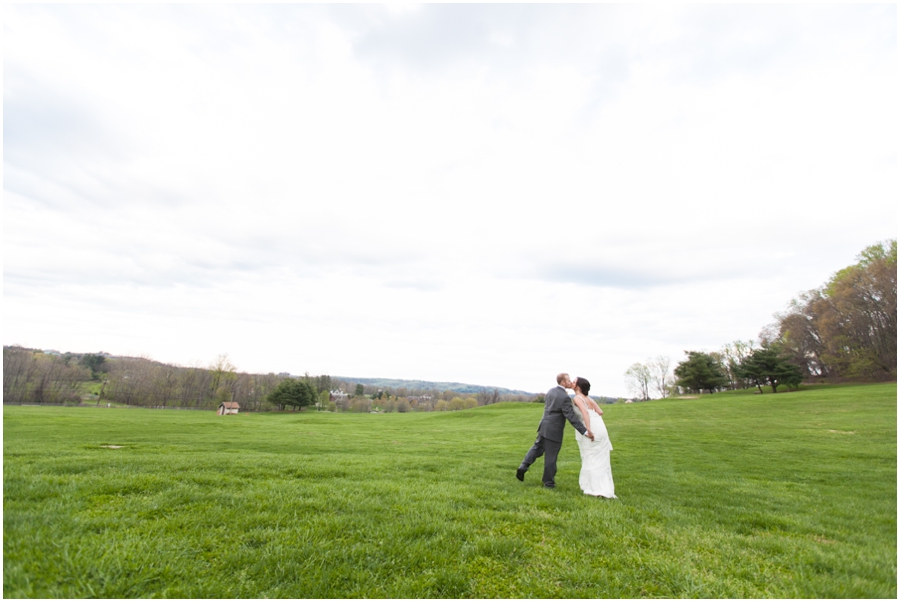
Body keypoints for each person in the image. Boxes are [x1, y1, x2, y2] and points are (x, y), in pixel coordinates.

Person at [516, 373, 593, 488]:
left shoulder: (551, 391)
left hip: (544, 426)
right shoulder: (565, 398)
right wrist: (585, 431)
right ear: (563, 382)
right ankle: (548, 482)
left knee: (537, 447)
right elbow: (570, 416)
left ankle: (523, 466)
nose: (570, 382)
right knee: (551, 457)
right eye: (568, 381)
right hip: (554, 430)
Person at [571, 376, 616, 498]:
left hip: (591, 427)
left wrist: (588, 429)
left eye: (574, 382)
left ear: (578, 386)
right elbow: (600, 412)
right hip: (601, 427)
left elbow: (585, 412)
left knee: (590, 456)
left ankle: (595, 488)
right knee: (600, 457)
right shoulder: (589, 398)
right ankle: (603, 486)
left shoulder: (577, 398)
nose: (572, 383)